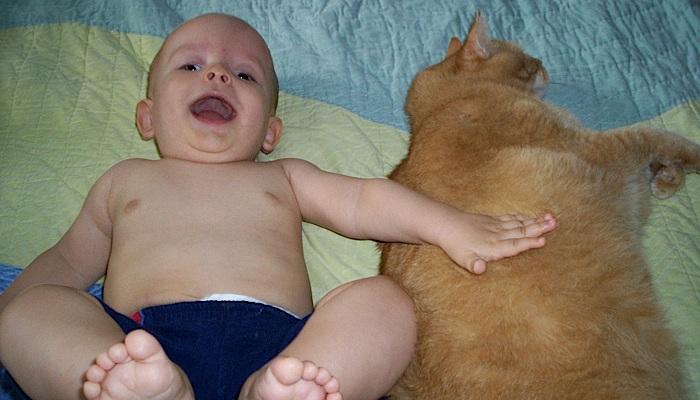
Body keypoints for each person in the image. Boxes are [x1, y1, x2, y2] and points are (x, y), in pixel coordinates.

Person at [0, 13, 556, 400]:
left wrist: (449, 225)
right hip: (137, 347)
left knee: (385, 303)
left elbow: (363, 200)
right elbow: (70, 264)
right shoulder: (125, 180)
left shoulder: (284, 178)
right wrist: (13, 313)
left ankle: (283, 393)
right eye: (190, 67)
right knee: (31, 314)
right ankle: (122, 392)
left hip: (286, 353)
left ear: (270, 131)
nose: (217, 73)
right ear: (147, 118)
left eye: (244, 75)